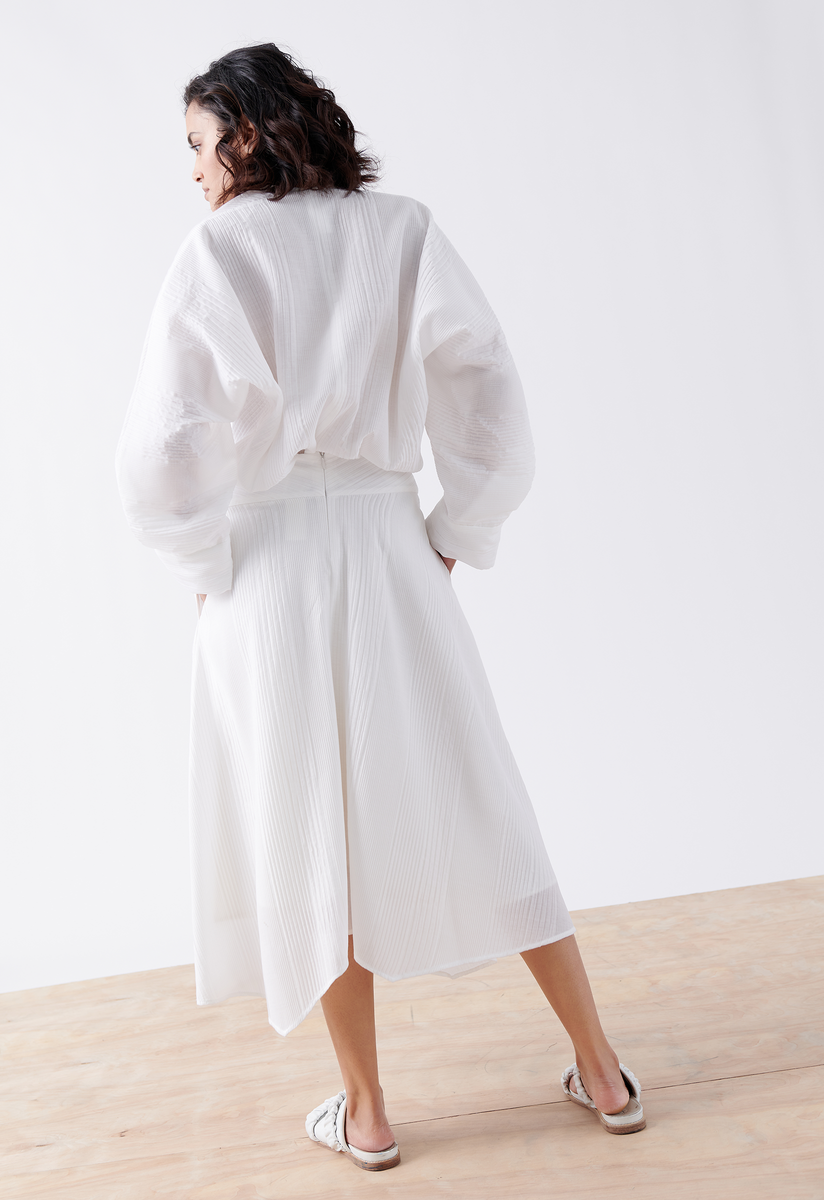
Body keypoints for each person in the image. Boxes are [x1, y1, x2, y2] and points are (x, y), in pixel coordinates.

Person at [116, 42, 645, 1173]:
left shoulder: (217, 249)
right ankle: (602, 1070)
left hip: (266, 559)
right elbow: (489, 387)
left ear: (248, 136)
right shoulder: (400, 229)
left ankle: (365, 1114)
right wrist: (458, 530)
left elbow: (162, 448)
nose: (194, 172)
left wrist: (204, 559)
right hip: (387, 535)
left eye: (202, 145)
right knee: (482, 792)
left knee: (309, 831)